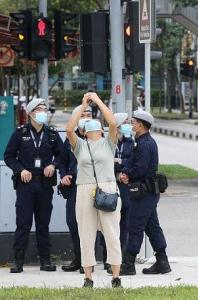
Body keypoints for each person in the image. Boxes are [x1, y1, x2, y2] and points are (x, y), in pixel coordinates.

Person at [66, 92, 122, 288]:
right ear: (85, 132)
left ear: (101, 130)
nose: (93, 130)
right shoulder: (80, 145)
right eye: (90, 128)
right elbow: (69, 128)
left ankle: (116, 276)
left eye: (97, 127)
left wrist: (97, 101)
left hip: (107, 187)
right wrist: (82, 106)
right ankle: (88, 277)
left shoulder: (109, 143)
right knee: (86, 234)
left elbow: (113, 123)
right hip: (84, 190)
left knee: (112, 232)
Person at [4, 98, 63, 273]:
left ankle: (45, 260)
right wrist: (20, 170)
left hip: (44, 185)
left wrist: (54, 165)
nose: (42, 112)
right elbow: (9, 156)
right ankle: (18, 260)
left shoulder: (52, 134)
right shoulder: (20, 133)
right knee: (23, 223)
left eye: (44, 109)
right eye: (39, 109)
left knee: (43, 223)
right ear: (30, 113)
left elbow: (62, 155)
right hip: (26, 185)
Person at [118, 110, 171, 276]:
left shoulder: (145, 144)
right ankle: (162, 262)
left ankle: (128, 263)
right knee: (152, 227)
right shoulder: (141, 141)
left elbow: (140, 168)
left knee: (135, 226)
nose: (130, 125)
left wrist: (128, 175)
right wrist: (126, 170)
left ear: (141, 125)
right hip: (147, 193)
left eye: (132, 122)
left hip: (144, 193)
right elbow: (132, 161)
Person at [59, 106, 93, 273]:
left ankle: (90, 261)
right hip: (74, 188)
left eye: (89, 115)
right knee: (73, 222)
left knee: (94, 225)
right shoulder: (70, 139)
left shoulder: (95, 137)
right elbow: (62, 160)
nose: (86, 117)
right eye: (83, 115)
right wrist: (63, 174)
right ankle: (79, 259)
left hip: (92, 188)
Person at [101, 113, 134, 273]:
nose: (129, 124)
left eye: (129, 122)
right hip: (110, 186)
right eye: (125, 122)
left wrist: (120, 164)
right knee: (108, 223)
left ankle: (119, 256)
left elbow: (132, 161)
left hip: (125, 187)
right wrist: (118, 167)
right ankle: (107, 257)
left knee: (124, 224)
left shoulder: (130, 142)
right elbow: (105, 162)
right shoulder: (108, 142)